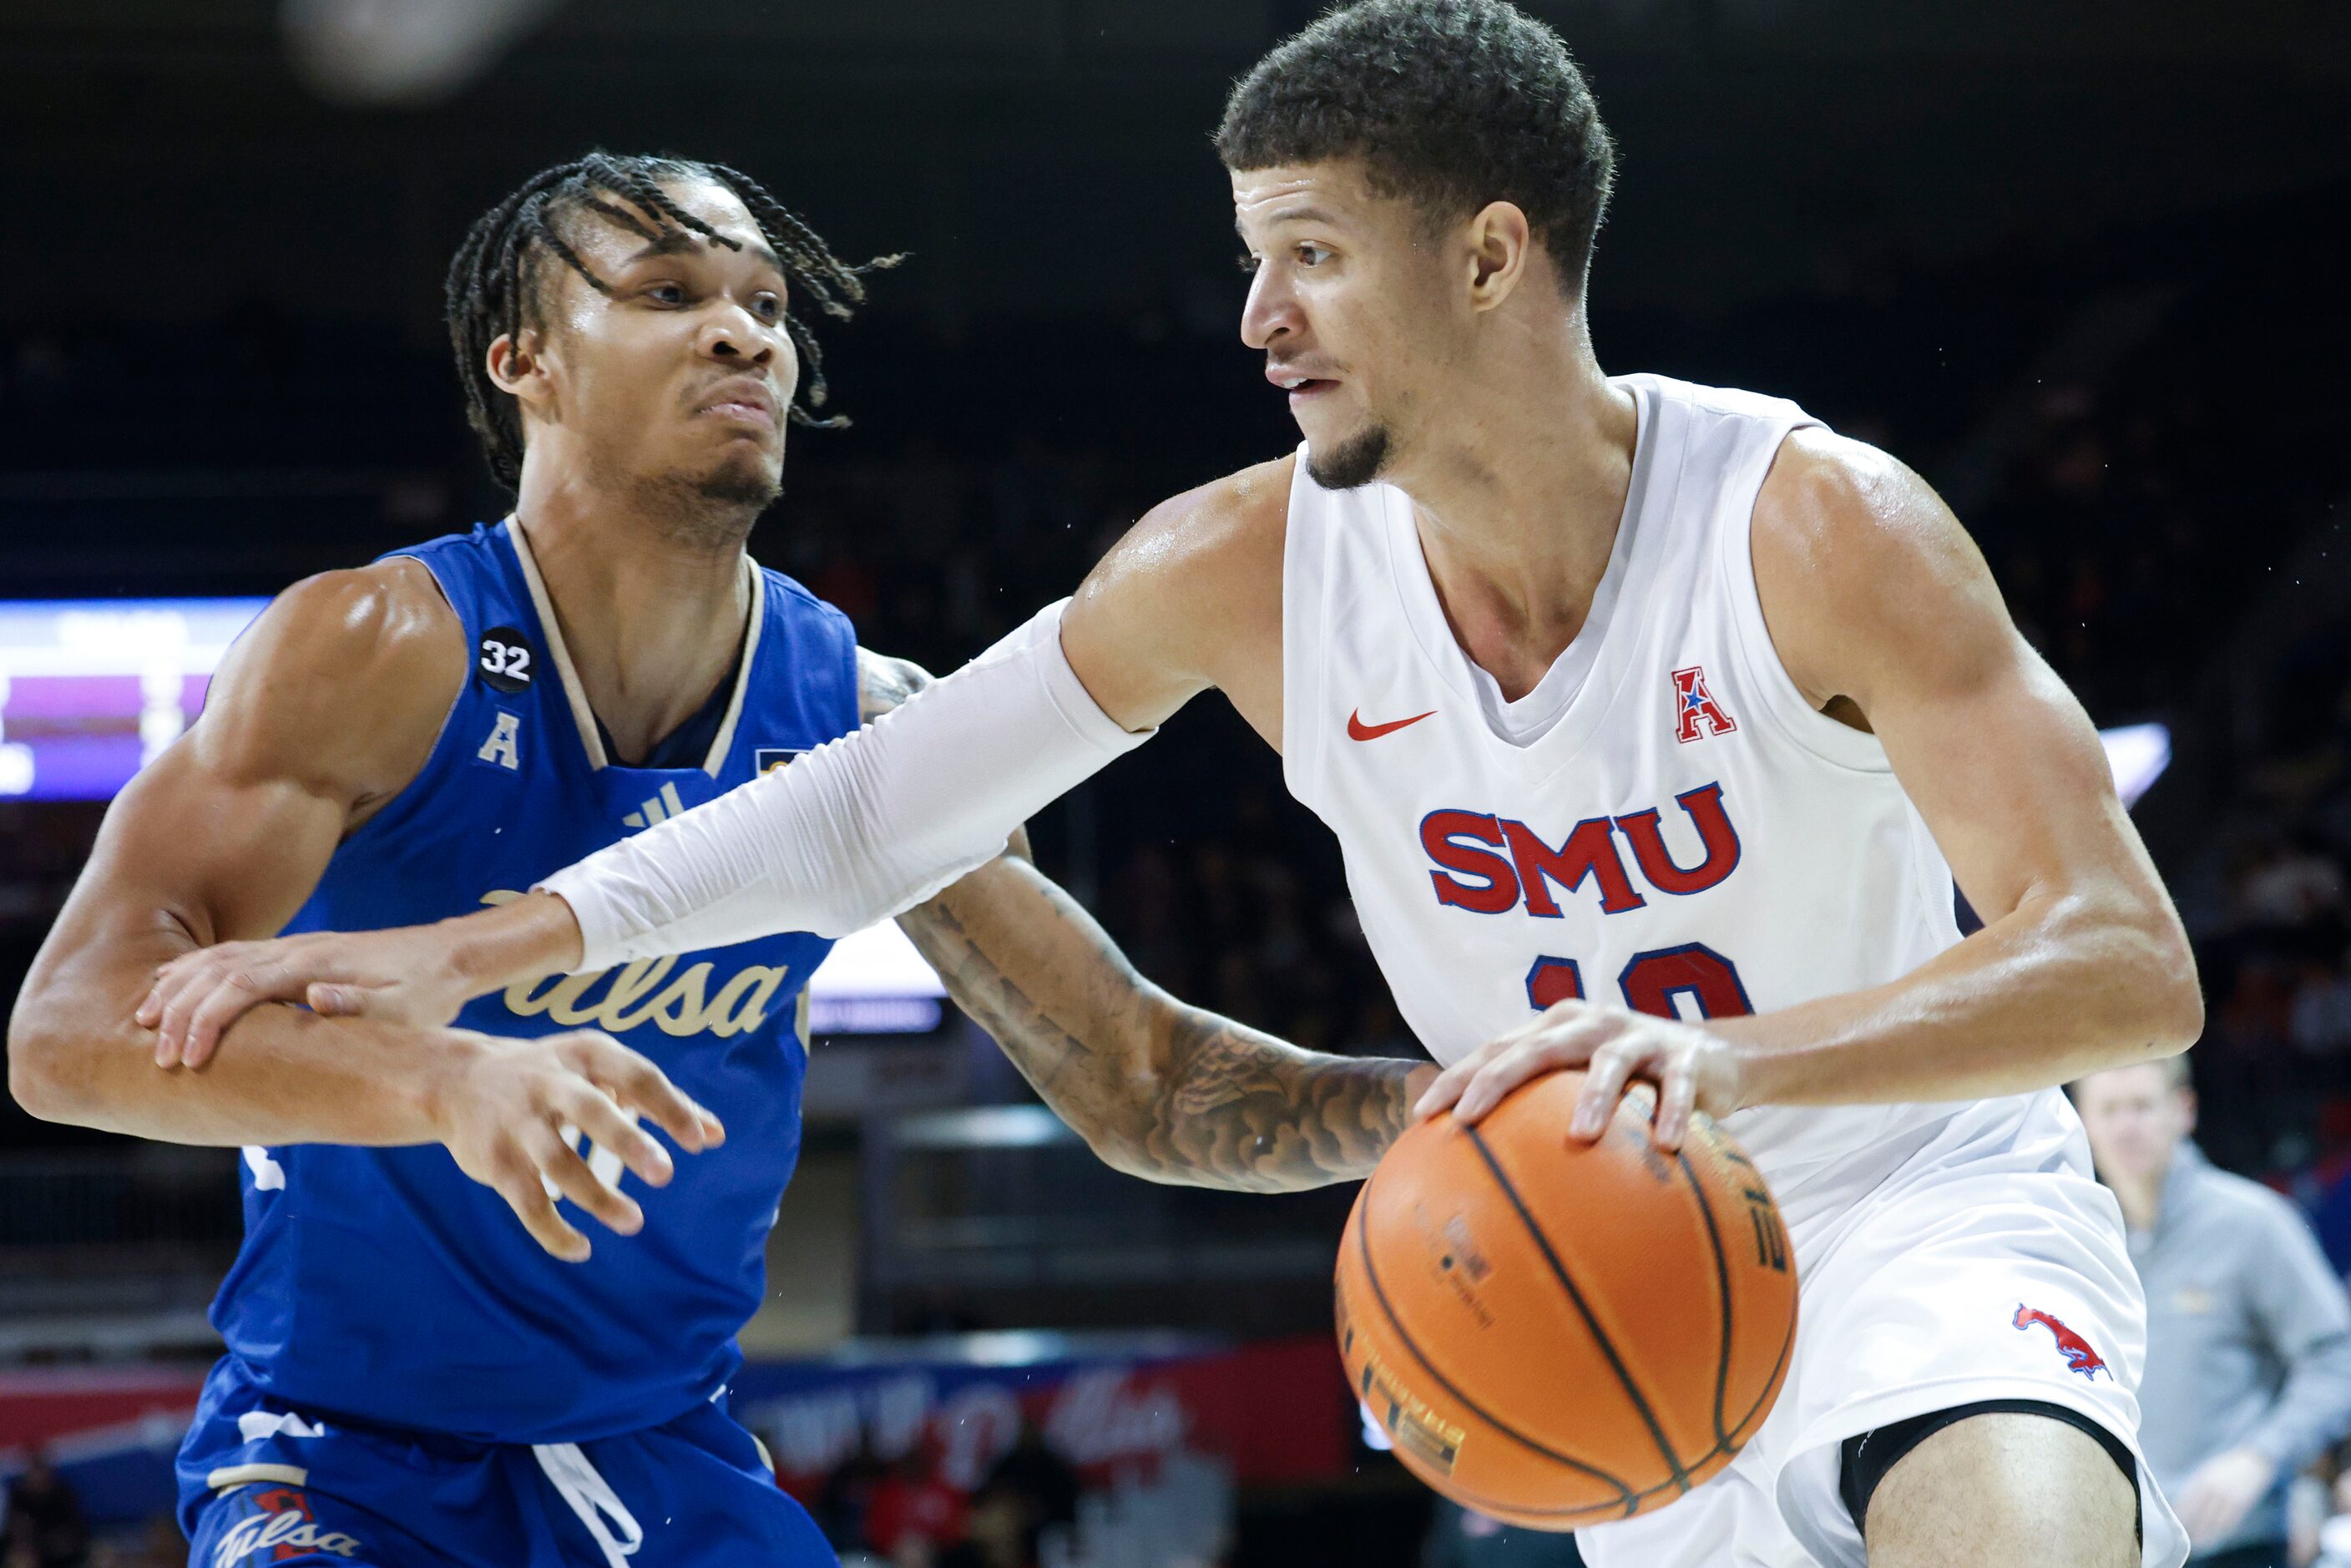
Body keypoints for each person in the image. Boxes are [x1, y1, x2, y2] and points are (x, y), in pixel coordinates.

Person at [128, 3, 2208, 1564]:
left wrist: (1725, 1068)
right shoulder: (1241, 566)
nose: (1252, 315)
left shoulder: (1812, 520)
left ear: (1486, 259)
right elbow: (875, 807)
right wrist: (498, 943)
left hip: (1903, 1203)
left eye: (1304, 253)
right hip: (1593, 1256)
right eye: (1248, 254)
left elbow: (2124, 964)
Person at [7, 153, 1426, 1568]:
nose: (744, 330)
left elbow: (1141, 1081)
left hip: (663, 1459)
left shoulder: (864, 719)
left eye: (765, 301)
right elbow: (64, 1033)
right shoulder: (379, 651)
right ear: (527, 362)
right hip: (340, 1456)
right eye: (669, 292)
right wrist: (446, 1078)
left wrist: (1447, 1106)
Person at [2075, 1056, 2351, 1567]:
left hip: (2239, 1544)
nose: (2125, 1126)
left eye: (2141, 1106)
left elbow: (2337, 1360)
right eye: (2109, 1110)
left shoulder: (2252, 1224)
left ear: (2184, 1111)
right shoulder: (2083, 1244)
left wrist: (2259, 1457)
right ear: (2083, 1123)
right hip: (2121, 1549)